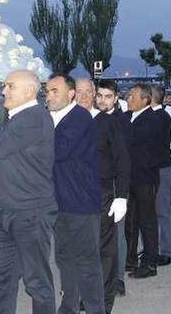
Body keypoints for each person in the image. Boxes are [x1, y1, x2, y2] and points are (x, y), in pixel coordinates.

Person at [0, 69, 57, 314]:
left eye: (10, 86)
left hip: (30, 211)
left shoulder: (33, 116)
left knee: (36, 280)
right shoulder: (15, 118)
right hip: (11, 210)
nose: (4, 91)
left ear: (29, 90)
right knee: (4, 277)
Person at [46, 73, 104, 314]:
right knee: (64, 258)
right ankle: (68, 307)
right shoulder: (49, 118)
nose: (48, 96)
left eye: (54, 91)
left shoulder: (79, 117)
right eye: (47, 91)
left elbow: (58, 151)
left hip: (81, 203)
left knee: (87, 261)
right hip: (58, 203)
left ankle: (95, 309)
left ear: (69, 94)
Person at [93, 79, 130, 312]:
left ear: (116, 97)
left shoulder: (121, 121)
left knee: (114, 240)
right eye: (100, 95)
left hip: (114, 188)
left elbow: (124, 160)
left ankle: (116, 280)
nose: (103, 100)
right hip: (96, 188)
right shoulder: (92, 119)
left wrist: (122, 195)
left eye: (108, 96)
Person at [124, 83, 168, 279]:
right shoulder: (127, 117)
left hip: (145, 177)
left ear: (145, 99)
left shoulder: (152, 119)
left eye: (133, 96)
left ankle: (150, 262)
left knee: (147, 220)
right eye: (128, 96)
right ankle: (130, 258)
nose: (128, 99)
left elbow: (130, 139)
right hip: (130, 177)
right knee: (131, 220)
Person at [151, 85, 171, 266]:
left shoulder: (166, 114)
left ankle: (167, 250)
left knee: (163, 210)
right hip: (148, 168)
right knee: (149, 212)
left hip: (161, 166)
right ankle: (152, 247)